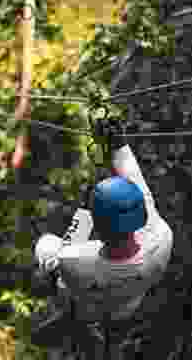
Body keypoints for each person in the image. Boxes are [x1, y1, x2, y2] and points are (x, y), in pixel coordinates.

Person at [31, 118, 174, 358]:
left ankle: (79, 327)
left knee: (47, 247)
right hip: (130, 301)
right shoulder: (161, 234)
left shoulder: (73, 261)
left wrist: (85, 213)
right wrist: (118, 144)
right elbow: (135, 179)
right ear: (139, 213)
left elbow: (64, 251)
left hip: (91, 300)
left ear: (99, 226)